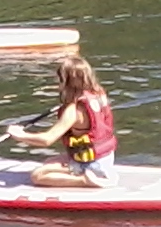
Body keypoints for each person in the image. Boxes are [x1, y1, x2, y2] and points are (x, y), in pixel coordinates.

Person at [7, 56, 118, 188]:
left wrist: (19, 135)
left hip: (93, 163)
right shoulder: (98, 93)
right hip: (105, 156)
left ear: (65, 81)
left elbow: (46, 140)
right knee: (49, 162)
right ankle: (90, 171)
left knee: (38, 175)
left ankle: (85, 180)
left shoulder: (73, 111)